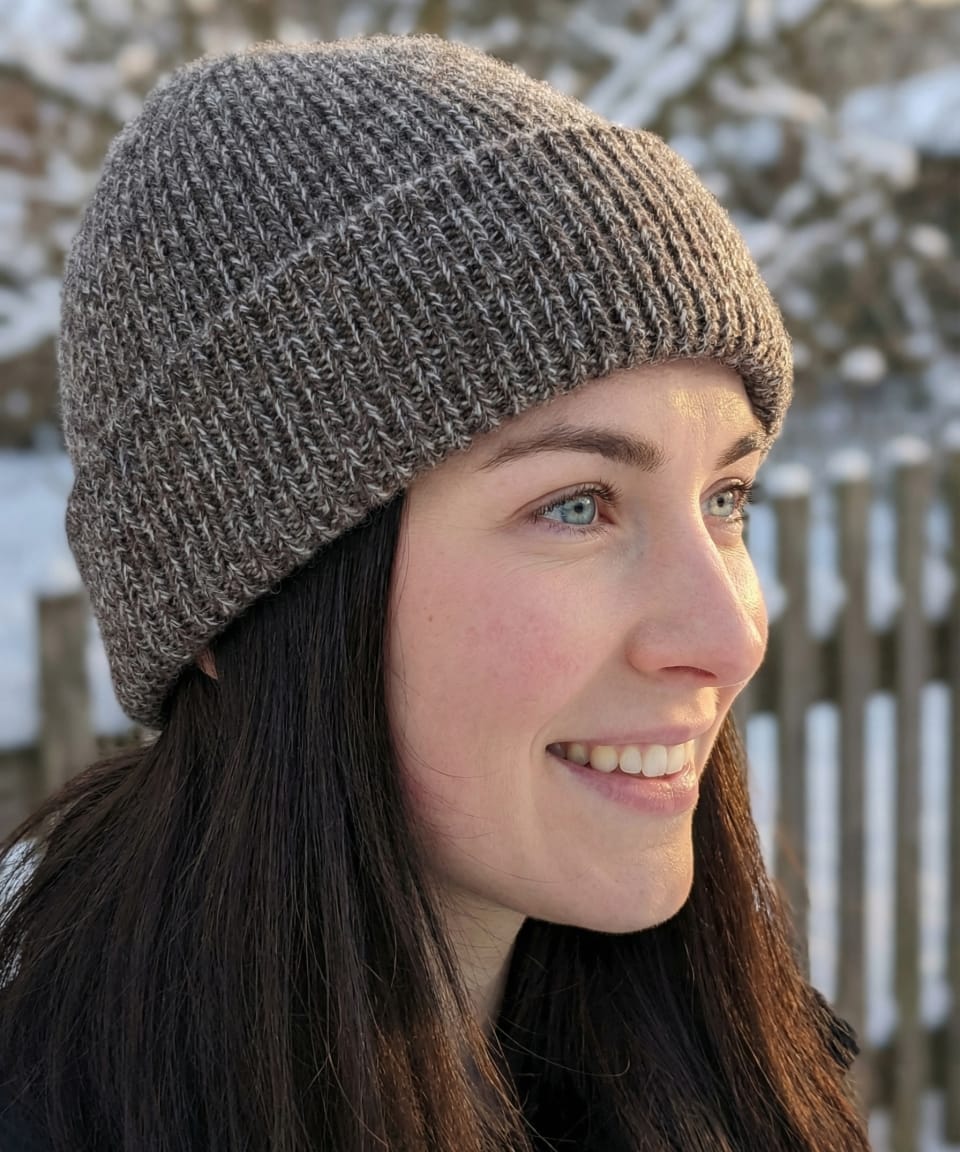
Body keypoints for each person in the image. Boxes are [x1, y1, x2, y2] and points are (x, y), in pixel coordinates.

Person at [0, 34, 869, 1152]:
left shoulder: (736, 1090)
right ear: (241, 603)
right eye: (577, 505)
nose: (727, 636)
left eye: (726, 498)